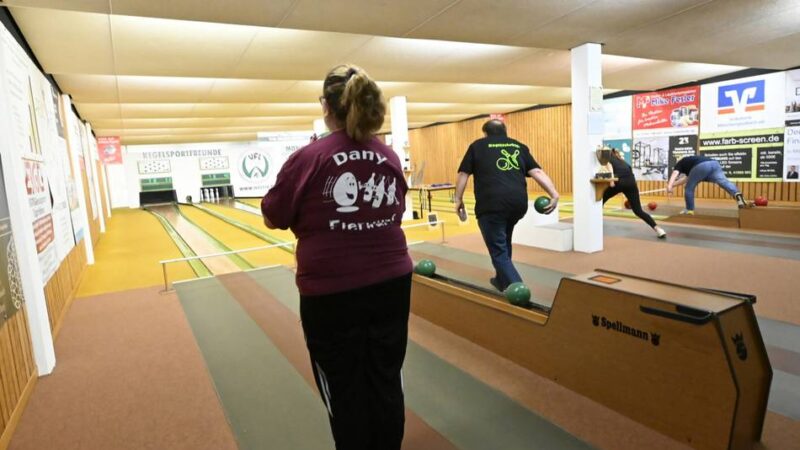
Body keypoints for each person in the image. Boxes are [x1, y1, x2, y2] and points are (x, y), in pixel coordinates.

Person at [261, 64, 412, 450]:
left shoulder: (309, 157)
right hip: (392, 284)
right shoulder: (388, 155)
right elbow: (395, 210)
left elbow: (273, 216)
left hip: (332, 292)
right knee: (385, 375)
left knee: (344, 387)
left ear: (326, 106)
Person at [454, 119, 558, 292]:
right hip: (517, 205)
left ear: (485, 133)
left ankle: (519, 290)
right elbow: (537, 171)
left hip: (491, 205)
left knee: (498, 250)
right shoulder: (518, 146)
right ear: (505, 131)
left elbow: (463, 173)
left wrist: (458, 199)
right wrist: (553, 193)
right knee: (503, 240)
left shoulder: (477, 146)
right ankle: (501, 280)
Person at [604, 149, 667, 239]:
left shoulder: (607, 159)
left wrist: (611, 180)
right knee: (638, 210)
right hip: (631, 183)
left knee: (600, 201)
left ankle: (592, 225)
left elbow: (609, 167)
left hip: (619, 182)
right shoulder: (623, 161)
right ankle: (659, 229)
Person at [667, 154, 747, 214]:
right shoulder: (690, 162)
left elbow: (675, 173)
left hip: (701, 166)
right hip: (714, 164)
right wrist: (672, 185)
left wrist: (669, 185)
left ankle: (689, 210)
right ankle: (737, 194)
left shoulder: (680, 163)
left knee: (689, 188)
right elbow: (686, 179)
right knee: (724, 182)